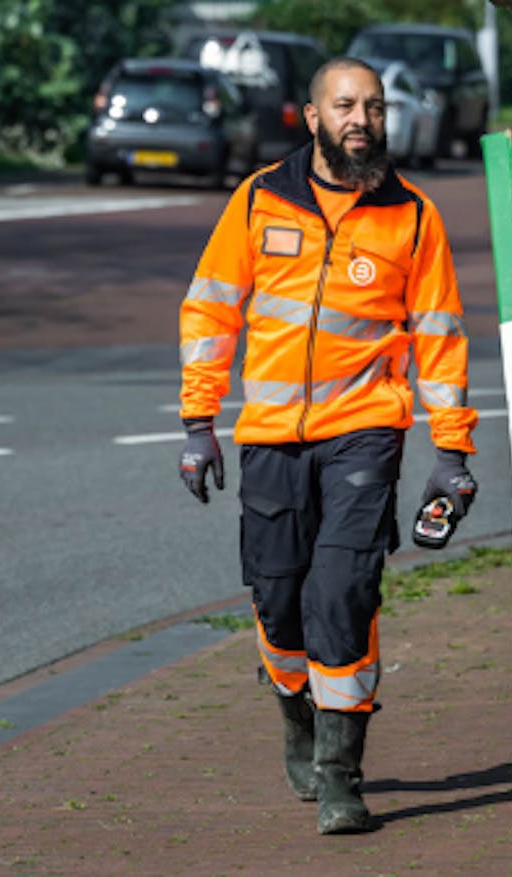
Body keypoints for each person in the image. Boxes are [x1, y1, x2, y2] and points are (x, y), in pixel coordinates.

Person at [176, 56, 478, 835]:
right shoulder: (257, 200)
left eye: (373, 108)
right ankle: (296, 718)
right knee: (279, 606)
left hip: (365, 433)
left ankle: (342, 774)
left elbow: (440, 338)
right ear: (311, 118)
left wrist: (452, 453)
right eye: (344, 106)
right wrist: (198, 424)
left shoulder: (412, 215)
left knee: (341, 593)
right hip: (272, 439)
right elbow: (211, 311)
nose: (361, 120)